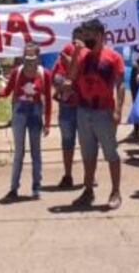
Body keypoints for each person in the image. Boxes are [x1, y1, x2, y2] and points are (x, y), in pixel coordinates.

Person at [66, 19, 125, 210]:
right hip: (84, 110)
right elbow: (72, 76)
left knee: (111, 152)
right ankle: (88, 189)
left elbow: (120, 84)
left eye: (91, 34)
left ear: (101, 35)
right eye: (85, 34)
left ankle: (115, 191)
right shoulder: (82, 56)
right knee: (88, 153)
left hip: (103, 111)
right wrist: (76, 53)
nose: (87, 38)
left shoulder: (113, 57)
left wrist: (118, 110)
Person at [0, 44, 51, 201]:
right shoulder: (17, 72)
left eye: (32, 57)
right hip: (19, 112)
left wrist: (47, 122)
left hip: (35, 113)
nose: (28, 60)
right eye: (26, 57)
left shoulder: (44, 74)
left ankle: (36, 186)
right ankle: (14, 188)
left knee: (36, 152)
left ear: (38, 57)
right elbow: (7, 91)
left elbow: (47, 98)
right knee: (19, 152)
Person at [51, 28, 82, 188]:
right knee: (67, 142)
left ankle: (89, 176)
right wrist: (64, 86)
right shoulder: (62, 58)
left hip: (84, 107)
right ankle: (68, 175)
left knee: (88, 142)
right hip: (67, 108)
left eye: (80, 39)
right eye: (75, 39)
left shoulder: (88, 59)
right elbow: (56, 79)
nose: (77, 43)